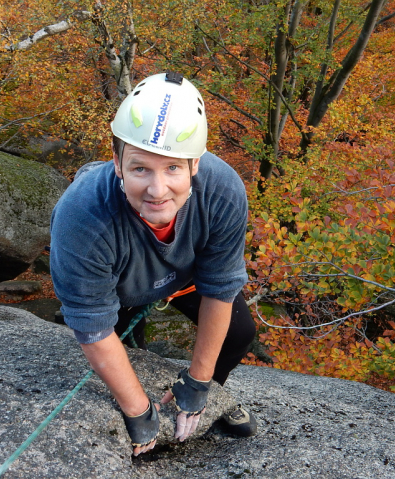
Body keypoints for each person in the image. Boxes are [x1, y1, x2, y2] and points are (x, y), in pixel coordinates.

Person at [50, 72, 257, 456]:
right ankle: (152, 405)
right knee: (126, 350)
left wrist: (199, 382)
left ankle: (204, 403)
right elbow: (93, 324)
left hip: (185, 274)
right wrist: (138, 411)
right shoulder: (82, 217)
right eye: (141, 168)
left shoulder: (222, 192)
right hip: (121, 286)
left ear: (195, 163)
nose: (158, 190)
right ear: (117, 162)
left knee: (239, 333)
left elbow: (221, 286)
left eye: (173, 168)